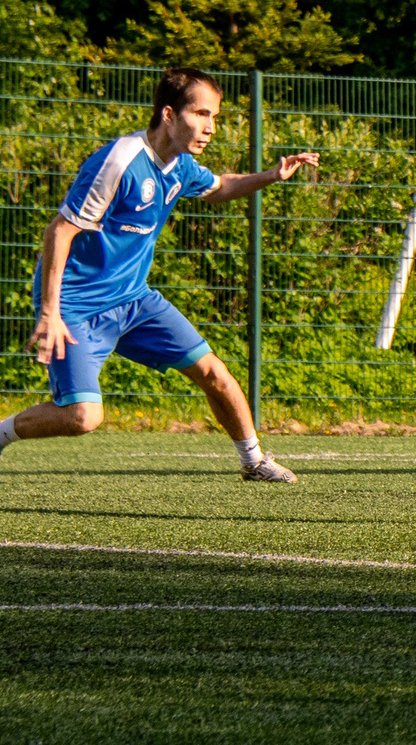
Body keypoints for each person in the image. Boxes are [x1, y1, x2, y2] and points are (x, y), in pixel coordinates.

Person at [1, 68, 318, 481]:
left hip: (134, 299)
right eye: (202, 114)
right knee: (82, 416)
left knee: (215, 373)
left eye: (215, 117)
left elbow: (220, 186)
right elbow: (59, 230)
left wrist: (271, 176)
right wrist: (50, 312)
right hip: (77, 306)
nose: (210, 128)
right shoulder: (119, 162)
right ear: (169, 114)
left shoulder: (180, 166)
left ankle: (254, 461)